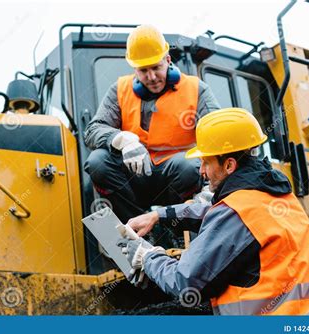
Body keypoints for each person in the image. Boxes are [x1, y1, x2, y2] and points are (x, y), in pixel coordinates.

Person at [119, 108, 309, 315]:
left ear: (229, 165)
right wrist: (159, 215)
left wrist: (148, 257)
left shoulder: (237, 211)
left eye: (206, 163)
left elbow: (185, 283)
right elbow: (215, 212)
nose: (201, 171)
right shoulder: (274, 195)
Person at [84, 24, 220, 223]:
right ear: (134, 69)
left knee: (189, 165)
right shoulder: (119, 90)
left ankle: (175, 226)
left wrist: (212, 185)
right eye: (143, 70)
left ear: (168, 60)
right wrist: (121, 139)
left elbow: (218, 133)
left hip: (179, 178)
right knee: (97, 162)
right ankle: (138, 229)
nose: (151, 77)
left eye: (156, 68)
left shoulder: (196, 89)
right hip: (133, 178)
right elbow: (93, 130)